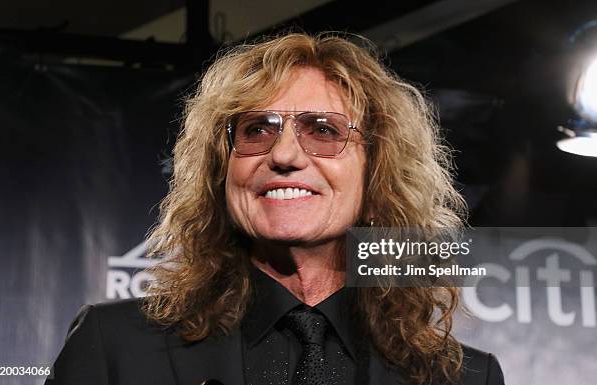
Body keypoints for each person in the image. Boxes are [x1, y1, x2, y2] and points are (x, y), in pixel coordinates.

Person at [45, 32, 505, 385]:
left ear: (376, 173)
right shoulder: (114, 347)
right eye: (256, 130)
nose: (284, 155)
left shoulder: (463, 378)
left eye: (323, 130)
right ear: (221, 173)